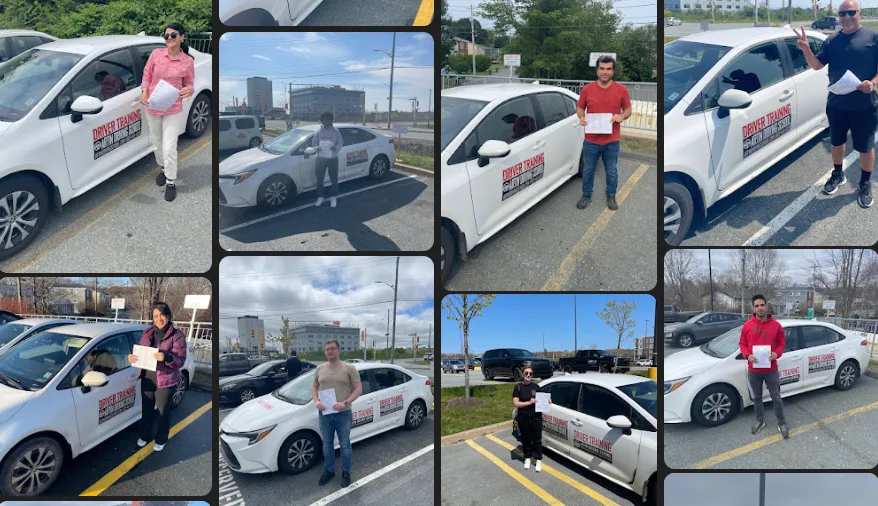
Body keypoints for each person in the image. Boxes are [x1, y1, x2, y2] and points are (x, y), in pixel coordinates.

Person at [795, 1, 877, 208]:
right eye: (842, 13)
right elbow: (817, 65)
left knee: (865, 146)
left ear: (859, 13)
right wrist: (806, 50)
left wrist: (873, 83)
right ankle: (838, 174)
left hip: (864, 105)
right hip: (837, 104)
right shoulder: (831, 41)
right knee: (837, 143)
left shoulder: (873, 37)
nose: (846, 17)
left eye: (851, 12)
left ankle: (864, 183)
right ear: (838, 17)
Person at [140, 23, 196, 202]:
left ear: (182, 37)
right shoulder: (156, 54)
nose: (169, 38)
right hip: (153, 105)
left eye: (173, 35)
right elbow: (147, 75)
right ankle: (163, 169)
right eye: (166, 36)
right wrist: (144, 91)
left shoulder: (187, 61)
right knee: (157, 144)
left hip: (173, 108)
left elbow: (189, 83)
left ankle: (171, 181)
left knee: (169, 147)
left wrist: (189, 90)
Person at [127, 302, 187, 452]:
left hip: (165, 380)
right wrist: (132, 358)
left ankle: (161, 439)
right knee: (146, 409)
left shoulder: (177, 335)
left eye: (162, 315)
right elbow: (140, 352)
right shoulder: (147, 333)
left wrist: (166, 357)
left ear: (168, 315)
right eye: (155, 316)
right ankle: (145, 435)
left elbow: (180, 360)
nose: (159, 319)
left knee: (162, 411)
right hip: (147, 377)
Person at [576, 56, 632, 211]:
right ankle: (586, 194)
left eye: (608, 69)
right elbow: (580, 108)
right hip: (591, 140)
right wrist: (581, 117)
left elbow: (628, 110)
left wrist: (621, 116)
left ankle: (611, 194)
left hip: (611, 141)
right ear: (597, 70)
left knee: (611, 171)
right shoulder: (587, 89)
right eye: (602, 68)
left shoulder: (621, 90)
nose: (605, 72)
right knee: (588, 170)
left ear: (613, 71)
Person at [311, 339, 362, 487]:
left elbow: (358, 389)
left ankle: (346, 472)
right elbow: (314, 387)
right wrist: (316, 401)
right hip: (325, 414)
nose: (329, 351)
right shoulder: (320, 368)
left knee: (345, 444)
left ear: (339, 350)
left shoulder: (349, 368)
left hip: (343, 413)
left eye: (332, 348)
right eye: (327, 349)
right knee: (327, 444)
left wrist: (345, 402)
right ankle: (329, 470)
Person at [738, 294, 788, 439]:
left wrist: (777, 353)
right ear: (753, 308)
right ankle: (760, 421)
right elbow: (742, 344)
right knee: (757, 397)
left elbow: (782, 344)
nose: (760, 308)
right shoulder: (747, 326)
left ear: (766, 306)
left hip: (771, 369)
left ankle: (782, 422)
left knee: (776, 397)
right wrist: (747, 355)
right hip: (754, 370)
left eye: (762, 305)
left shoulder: (776, 326)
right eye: (757, 306)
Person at [513, 366, 549, 471]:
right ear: (522, 374)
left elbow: (542, 400)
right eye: (526, 373)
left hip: (536, 417)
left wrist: (547, 401)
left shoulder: (536, 387)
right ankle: (527, 457)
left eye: (530, 373)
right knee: (526, 439)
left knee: (537, 439)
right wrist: (529, 402)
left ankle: (539, 459)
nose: (528, 375)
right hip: (523, 417)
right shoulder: (518, 387)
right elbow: (516, 403)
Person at [312, 111, 344, 208]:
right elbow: (314, 143)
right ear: (321, 121)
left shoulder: (336, 132)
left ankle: (333, 197)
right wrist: (316, 148)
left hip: (332, 158)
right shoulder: (319, 132)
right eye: (324, 120)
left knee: (333, 178)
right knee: (319, 178)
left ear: (331, 120)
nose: (326, 121)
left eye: (328, 120)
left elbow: (340, 143)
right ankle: (320, 196)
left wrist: (336, 148)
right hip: (320, 159)